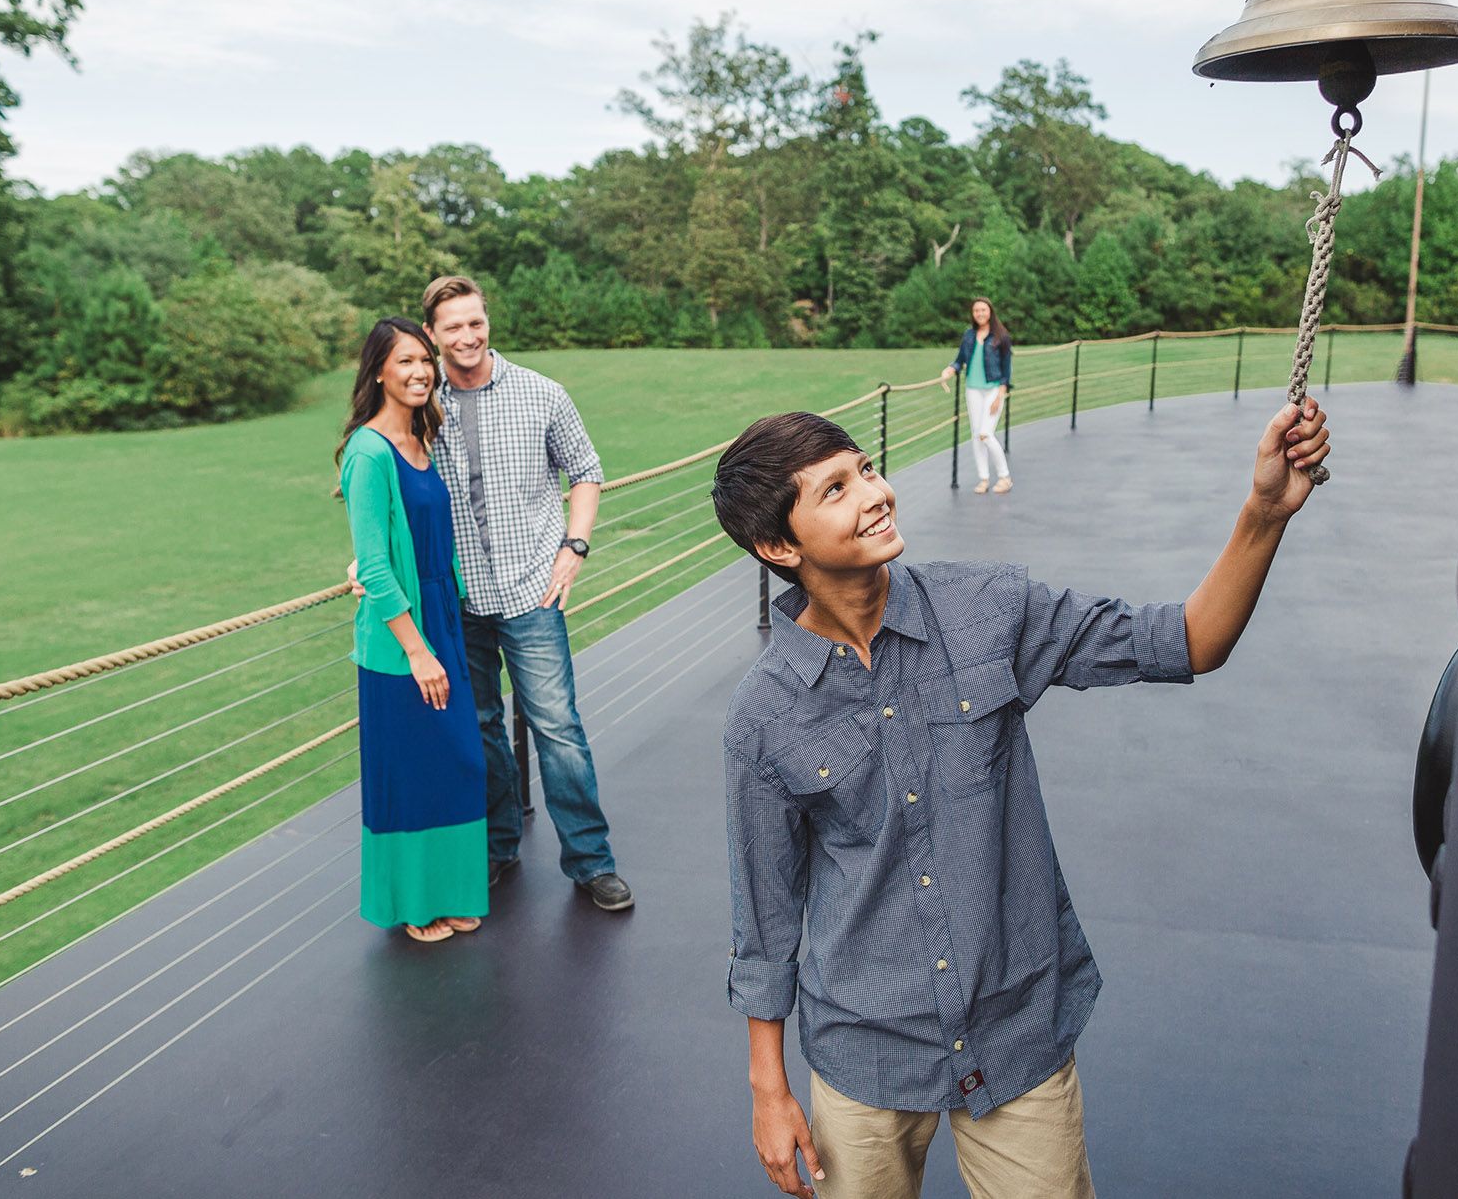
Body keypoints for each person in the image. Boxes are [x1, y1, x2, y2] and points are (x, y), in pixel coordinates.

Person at [710, 397, 1332, 1198]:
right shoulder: (763, 716)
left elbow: (1189, 640)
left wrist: (1263, 514)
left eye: (865, 469)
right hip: (864, 1049)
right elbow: (763, 923)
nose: (875, 493)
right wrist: (769, 1089)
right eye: (833, 490)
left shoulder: (988, 611)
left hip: (1016, 1032)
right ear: (776, 544)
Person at [399, 274, 631, 911]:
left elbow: (585, 472)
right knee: (479, 729)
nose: (468, 336)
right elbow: (390, 487)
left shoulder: (542, 393)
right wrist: (364, 559)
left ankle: (590, 861)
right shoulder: (420, 403)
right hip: (455, 600)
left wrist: (574, 546)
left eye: (476, 322)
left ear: (486, 320)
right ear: (433, 335)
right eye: (453, 327)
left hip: (532, 591)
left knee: (558, 729)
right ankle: (498, 847)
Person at [338, 317, 488, 944]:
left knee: (456, 763)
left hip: (442, 621)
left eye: (424, 360)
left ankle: (450, 892)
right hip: (403, 643)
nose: (421, 371)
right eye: (404, 361)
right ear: (378, 371)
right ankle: (413, 905)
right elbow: (373, 560)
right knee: (410, 771)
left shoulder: (424, 441)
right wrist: (418, 651)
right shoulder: (368, 452)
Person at [938, 298, 1013, 494]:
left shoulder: (1001, 336)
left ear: (990, 312)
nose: (979, 313)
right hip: (973, 389)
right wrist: (949, 370)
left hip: (993, 390)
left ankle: (1005, 477)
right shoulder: (969, 336)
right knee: (975, 435)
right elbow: (959, 361)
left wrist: (1000, 395)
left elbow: (1006, 370)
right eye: (976, 310)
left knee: (986, 434)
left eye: (983, 310)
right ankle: (984, 478)